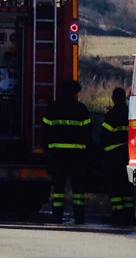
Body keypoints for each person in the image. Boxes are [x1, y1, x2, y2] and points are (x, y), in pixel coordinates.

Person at [42, 80, 91, 224]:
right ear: (75, 93)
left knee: (58, 189)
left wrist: (47, 151)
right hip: (78, 157)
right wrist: (88, 154)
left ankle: (57, 216)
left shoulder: (52, 108)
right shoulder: (81, 109)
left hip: (57, 156)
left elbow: (45, 132)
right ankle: (79, 217)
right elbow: (87, 134)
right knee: (78, 190)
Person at [101, 87, 135, 225]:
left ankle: (117, 214)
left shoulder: (112, 114)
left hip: (113, 157)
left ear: (114, 98)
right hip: (128, 157)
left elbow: (104, 135)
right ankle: (129, 215)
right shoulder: (130, 114)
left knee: (115, 188)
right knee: (127, 187)